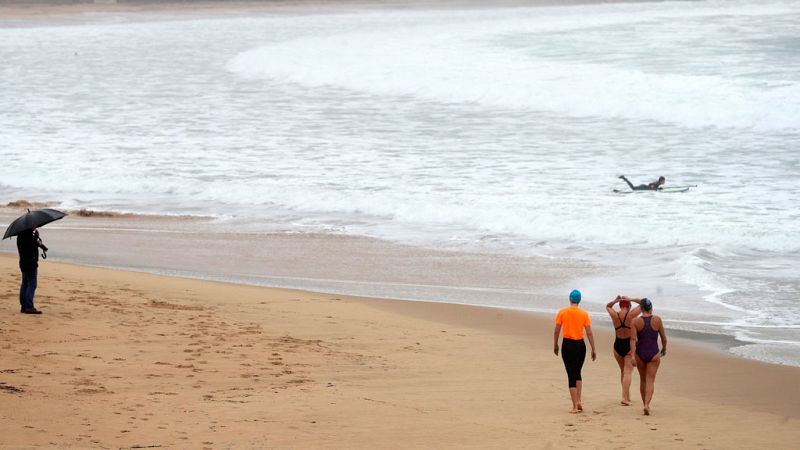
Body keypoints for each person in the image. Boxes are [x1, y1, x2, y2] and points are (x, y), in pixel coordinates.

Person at [553, 289, 597, 413]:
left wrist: (556, 344)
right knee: (577, 372)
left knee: (571, 374)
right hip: (580, 345)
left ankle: (574, 406)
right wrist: (593, 348)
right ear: (579, 300)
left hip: (568, 344)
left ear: (570, 299)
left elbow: (556, 330)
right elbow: (589, 332)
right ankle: (578, 401)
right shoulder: (584, 314)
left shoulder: (562, 312)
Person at [631, 298, 667, 415]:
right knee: (650, 380)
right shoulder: (657, 320)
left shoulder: (635, 321)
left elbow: (632, 340)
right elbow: (663, 338)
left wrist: (632, 356)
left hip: (640, 353)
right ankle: (647, 404)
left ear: (641, 309)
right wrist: (664, 349)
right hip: (653, 353)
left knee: (643, 380)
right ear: (651, 307)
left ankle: (644, 404)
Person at [606, 295, 642, 406]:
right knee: (628, 372)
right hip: (628, 346)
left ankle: (627, 396)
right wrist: (630, 299)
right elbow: (643, 303)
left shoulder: (615, 315)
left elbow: (608, 306)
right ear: (629, 306)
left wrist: (616, 300)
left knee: (623, 372)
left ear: (620, 305)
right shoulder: (631, 315)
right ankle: (624, 398)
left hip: (617, 345)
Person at [17, 227, 47, 314]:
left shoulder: (20, 236)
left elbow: (36, 244)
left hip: (23, 262)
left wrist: (36, 237)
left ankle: (24, 306)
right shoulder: (30, 237)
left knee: (25, 284)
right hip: (31, 263)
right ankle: (29, 306)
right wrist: (37, 236)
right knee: (32, 284)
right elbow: (35, 245)